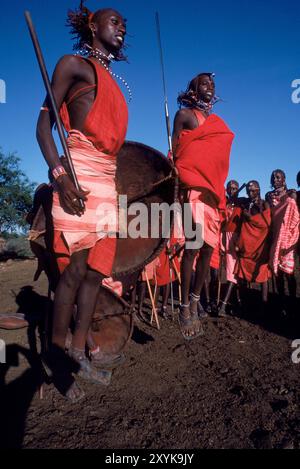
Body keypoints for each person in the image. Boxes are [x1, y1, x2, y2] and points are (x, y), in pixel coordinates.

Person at [36, 3, 130, 401]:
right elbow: (43, 126)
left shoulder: (116, 82)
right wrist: (60, 178)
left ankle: (78, 351)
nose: (121, 28)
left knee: (95, 274)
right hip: (76, 177)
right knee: (72, 275)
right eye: (114, 21)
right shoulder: (72, 65)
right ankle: (56, 360)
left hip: (106, 181)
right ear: (93, 25)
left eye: (125, 25)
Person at [172, 73, 234, 340]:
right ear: (194, 90)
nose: (210, 87)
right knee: (193, 246)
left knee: (209, 251)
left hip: (213, 192)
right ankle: (184, 307)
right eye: (204, 83)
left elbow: (218, 160)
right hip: (194, 189)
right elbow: (176, 151)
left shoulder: (218, 124)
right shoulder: (184, 115)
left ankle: (196, 299)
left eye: (213, 84)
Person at [266, 170, 299, 313]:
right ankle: (281, 302)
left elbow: (295, 217)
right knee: (277, 271)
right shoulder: (269, 197)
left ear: (284, 180)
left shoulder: (291, 195)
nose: (275, 179)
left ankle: (292, 301)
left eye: (278, 177)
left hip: (289, 237)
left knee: (289, 271)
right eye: (273, 177)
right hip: (275, 237)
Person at [235, 181, 271, 309]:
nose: (251, 193)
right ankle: (246, 300)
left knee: (262, 272)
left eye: (253, 191)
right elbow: (233, 199)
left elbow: (267, 222)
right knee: (243, 270)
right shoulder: (245, 203)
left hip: (260, 243)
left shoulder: (265, 204)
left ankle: (264, 302)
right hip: (247, 243)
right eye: (249, 191)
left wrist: (250, 218)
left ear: (259, 190)